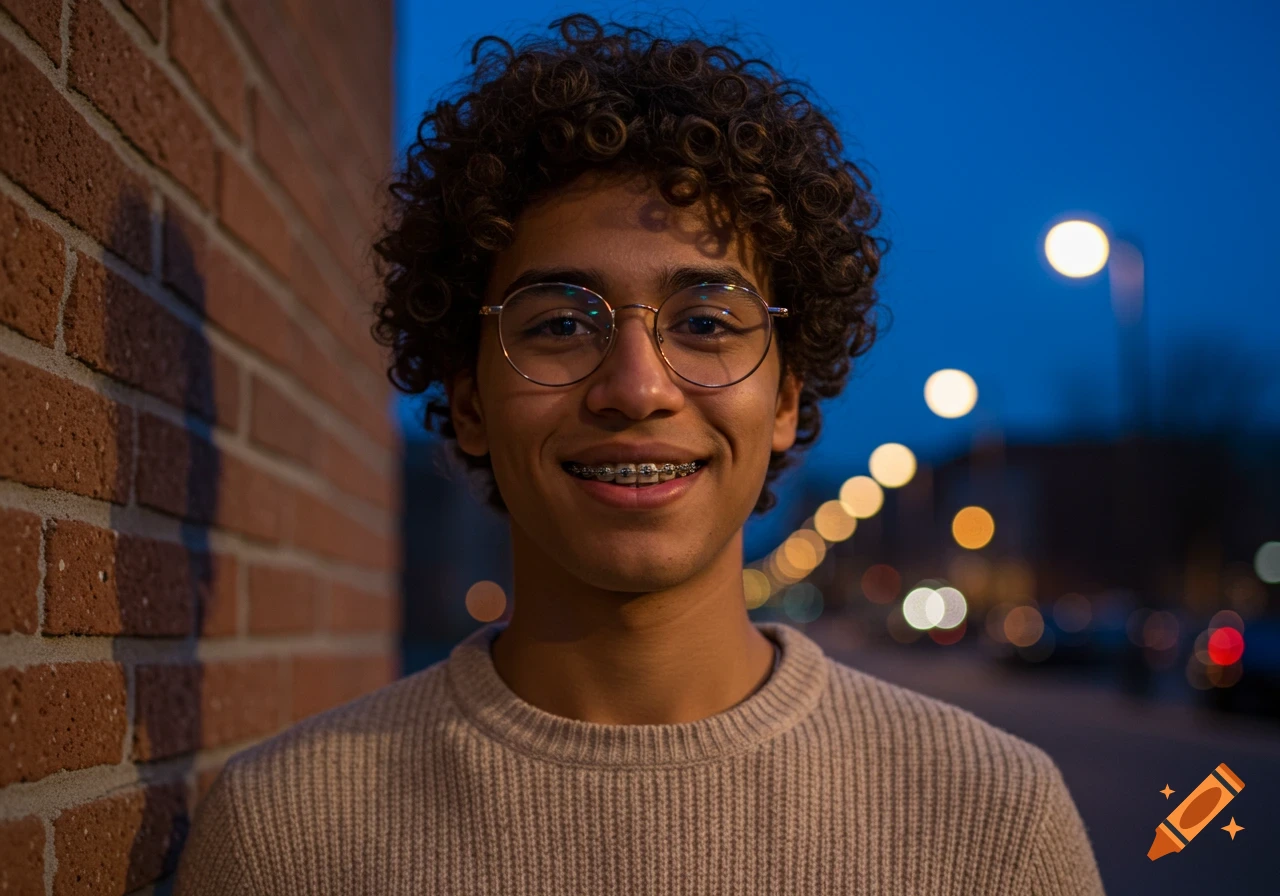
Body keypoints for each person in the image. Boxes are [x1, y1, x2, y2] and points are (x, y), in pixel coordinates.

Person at [176, 13, 1106, 894]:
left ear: (784, 400)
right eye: (558, 324)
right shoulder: (286, 834)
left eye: (705, 322)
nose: (636, 386)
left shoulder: (992, 818)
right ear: (467, 403)